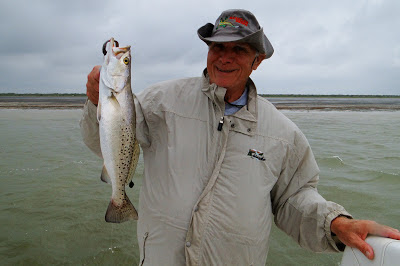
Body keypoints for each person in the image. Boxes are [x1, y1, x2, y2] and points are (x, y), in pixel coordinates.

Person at [80, 9, 400, 265]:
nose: (225, 57)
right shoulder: (158, 102)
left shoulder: (283, 134)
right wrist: (98, 102)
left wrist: (335, 223)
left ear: (256, 61)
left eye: (238, 49)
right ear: (208, 50)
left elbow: (294, 200)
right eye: (218, 46)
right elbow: (106, 142)